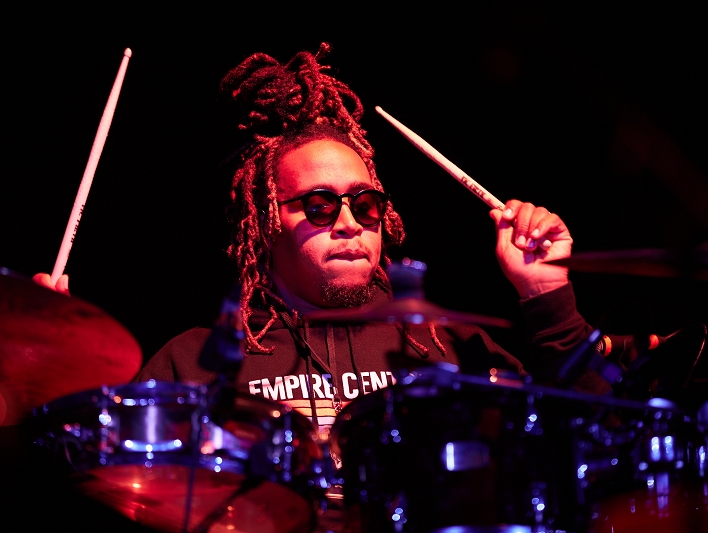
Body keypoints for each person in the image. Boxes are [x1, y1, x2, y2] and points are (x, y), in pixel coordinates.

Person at [35, 43, 609, 437]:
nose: (349, 222)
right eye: (319, 204)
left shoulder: (452, 350)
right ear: (268, 222)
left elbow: (595, 440)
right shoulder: (192, 367)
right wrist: (56, 376)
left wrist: (546, 296)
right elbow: (106, 489)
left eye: (365, 203)